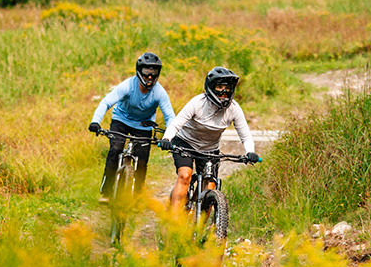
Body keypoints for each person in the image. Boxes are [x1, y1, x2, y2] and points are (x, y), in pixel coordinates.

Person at [158, 66, 260, 213]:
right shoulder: (197, 103)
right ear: (211, 87)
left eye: (227, 88)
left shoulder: (234, 109)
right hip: (185, 143)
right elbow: (176, 123)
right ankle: (172, 222)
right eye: (219, 87)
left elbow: (245, 135)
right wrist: (167, 138)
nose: (224, 92)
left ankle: (198, 229)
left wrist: (250, 152)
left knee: (210, 185)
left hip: (210, 149)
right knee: (185, 175)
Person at [89, 52, 175, 202]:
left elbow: (170, 117)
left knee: (142, 160)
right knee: (115, 150)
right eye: (147, 72)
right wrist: (95, 121)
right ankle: (107, 191)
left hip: (144, 125)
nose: (150, 77)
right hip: (121, 120)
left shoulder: (159, 92)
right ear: (139, 71)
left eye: (153, 73)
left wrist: (169, 137)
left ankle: (137, 196)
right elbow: (106, 102)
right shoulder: (128, 86)